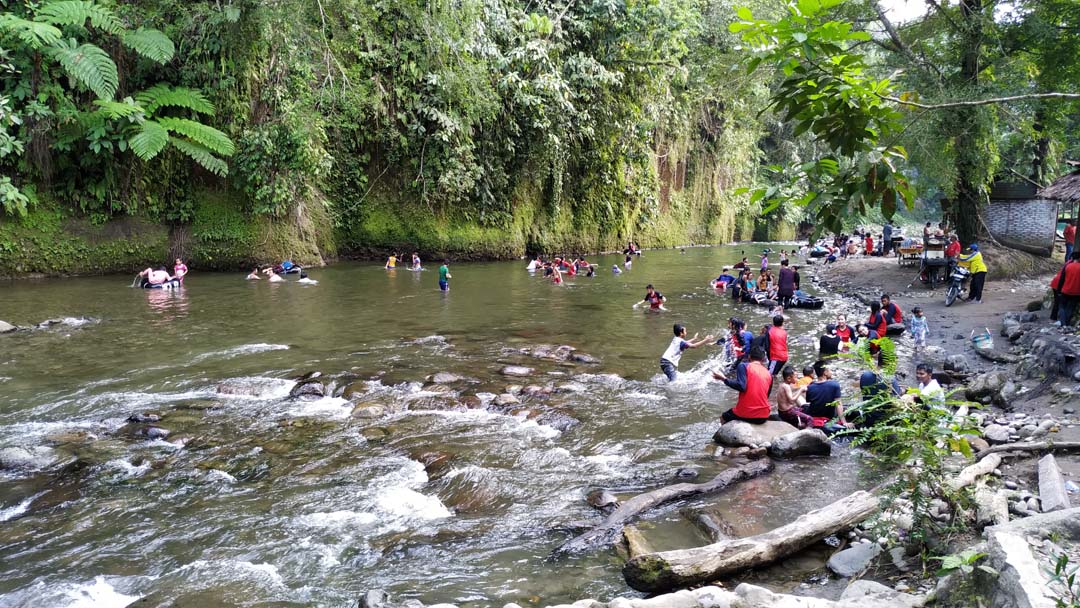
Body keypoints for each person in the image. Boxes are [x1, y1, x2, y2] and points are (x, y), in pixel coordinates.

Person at [712, 346, 772, 424]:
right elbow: (766, 395)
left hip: (747, 413)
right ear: (763, 359)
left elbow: (741, 386)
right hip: (764, 416)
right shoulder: (769, 373)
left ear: (749, 356)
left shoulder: (743, 366)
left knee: (723, 417)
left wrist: (724, 379)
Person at [805, 360, 847, 426]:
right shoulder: (834, 385)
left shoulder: (810, 387)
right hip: (829, 417)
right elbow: (838, 404)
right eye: (830, 370)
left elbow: (809, 401)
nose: (831, 372)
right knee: (843, 408)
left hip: (815, 417)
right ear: (825, 372)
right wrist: (844, 422)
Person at [1051, 251, 1080, 327]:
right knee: (1070, 307)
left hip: (1065, 288)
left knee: (1061, 305)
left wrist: (1060, 290)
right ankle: (1065, 323)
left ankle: (1062, 323)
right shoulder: (1072, 265)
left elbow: (1062, 279)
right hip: (1075, 291)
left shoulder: (1068, 265)